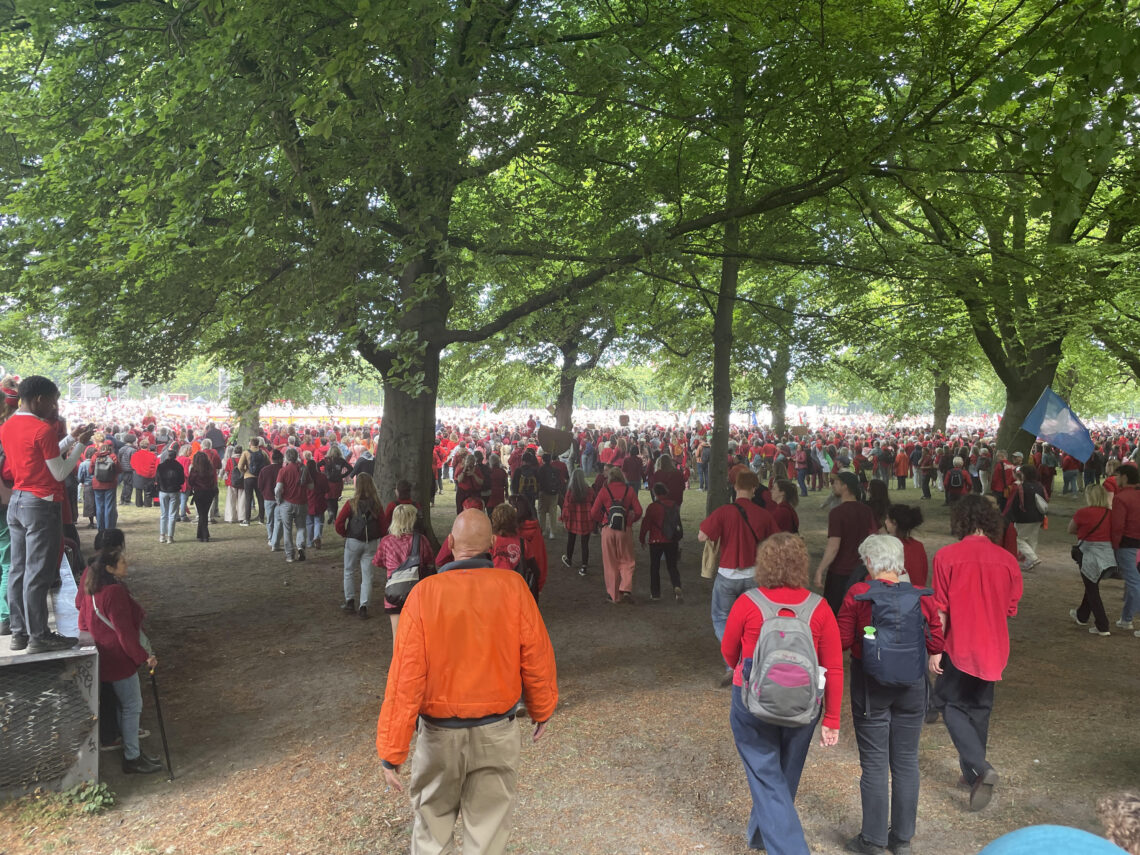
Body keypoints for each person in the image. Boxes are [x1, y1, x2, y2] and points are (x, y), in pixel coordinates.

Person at [376, 509, 558, 855]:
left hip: (439, 737)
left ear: (451, 544)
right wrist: (542, 708)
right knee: (487, 836)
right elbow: (536, 655)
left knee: (431, 831)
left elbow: (405, 677)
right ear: (491, 545)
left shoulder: (423, 595)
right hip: (496, 733)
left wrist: (392, 750)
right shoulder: (514, 588)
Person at [721, 532, 842, 855]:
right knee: (783, 776)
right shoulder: (820, 607)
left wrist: (741, 671)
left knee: (766, 774)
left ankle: (790, 850)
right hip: (803, 706)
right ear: (801, 564)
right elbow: (834, 667)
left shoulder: (748, 603)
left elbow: (728, 650)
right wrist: (832, 717)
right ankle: (760, 836)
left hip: (750, 700)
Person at [837, 535, 944, 855]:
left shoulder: (859, 594)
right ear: (900, 563)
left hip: (871, 687)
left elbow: (842, 639)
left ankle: (872, 840)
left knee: (874, 764)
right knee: (906, 762)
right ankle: (902, 839)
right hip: (912, 686)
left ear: (869, 562)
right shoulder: (919, 595)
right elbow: (936, 640)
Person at [929, 495, 1022, 811]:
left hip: (959, 643)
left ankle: (980, 769)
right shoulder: (1008, 560)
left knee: (947, 702)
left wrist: (935, 648)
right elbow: (1011, 608)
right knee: (980, 708)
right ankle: (971, 775)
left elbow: (940, 608)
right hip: (994, 646)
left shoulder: (946, 556)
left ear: (960, 521)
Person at [0, 375, 93, 653]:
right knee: (38, 572)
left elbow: (38, 454)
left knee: (17, 569)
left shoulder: (8, 425)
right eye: (52, 401)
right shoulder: (42, 429)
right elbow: (60, 471)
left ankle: (19, 632)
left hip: (17, 500)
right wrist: (81, 446)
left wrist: (68, 440)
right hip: (41, 503)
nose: (54, 407)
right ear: (39, 398)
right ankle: (39, 636)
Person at [75, 534, 163, 774]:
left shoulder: (93, 587)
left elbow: (83, 620)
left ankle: (132, 751)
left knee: (122, 705)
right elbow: (125, 633)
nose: (127, 565)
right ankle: (132, 756)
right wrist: (143, 656)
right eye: (122, 562)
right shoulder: (115, 592)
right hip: (119, 660)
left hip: (104, 656)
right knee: (133, 706)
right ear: (111, 568)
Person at [700, 470, 779, 643]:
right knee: (752, 620)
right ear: (754, 488)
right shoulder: (764, 515)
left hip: (727, 574)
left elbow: (702, 536)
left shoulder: (724, 511)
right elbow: (776, 542)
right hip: (753, 574)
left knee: (721, 618)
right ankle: (749, 656)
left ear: (735, 487)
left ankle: (732, 660)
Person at [813, 471, 878, 614]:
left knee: (836, 612)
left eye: (836, 482)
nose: (833, 485)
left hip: (840, 571)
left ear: (845, 486)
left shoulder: (837, 513)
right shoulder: (867, 510)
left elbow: (833, 546)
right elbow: (874, 538)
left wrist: (820, 569)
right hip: (861, 570)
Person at [373, 503, 436, 638]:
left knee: (397, 634)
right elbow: (429, 560)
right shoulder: (421, 540)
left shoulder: (386, 541)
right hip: (415, 591)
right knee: (418, 634)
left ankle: (398, 659)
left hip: (394, 591)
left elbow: (378, 561)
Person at [334, 473, 387, 620]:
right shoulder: (376, 505)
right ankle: (364, 606)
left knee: (349, 571)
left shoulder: (351, 503)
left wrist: (345, 533)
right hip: (370, 542)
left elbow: (338, 523)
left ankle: (350, 601)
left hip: (353, 540)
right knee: (367, 575)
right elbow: (384, 527)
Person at [590, 467, 643, 604]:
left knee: (610, 563)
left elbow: (593, 512)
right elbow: (638, 511)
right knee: (627, 560)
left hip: (608, 529)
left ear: (610, 477)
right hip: (624, 528)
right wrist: (630, 521)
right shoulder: (629, 490)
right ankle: (626, 588)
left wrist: (602, 521)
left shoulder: (604, 491)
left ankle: (613, 595)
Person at [1068, 483, 1115, 636]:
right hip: (1108, 555)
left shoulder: (1083, 512)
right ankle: (1082, 615)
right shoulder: (1111, 514)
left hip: (1089, 553)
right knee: (1091, 585)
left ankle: (1103, 625)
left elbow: (1071, 529)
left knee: (1092, 589)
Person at [639, 482, 683, 602]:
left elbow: (645, 525)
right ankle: (677, 586)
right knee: (672, 566)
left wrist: (642, 539)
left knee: (655, 567)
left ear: (655, 493)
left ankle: (655, 593)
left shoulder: (653, 507)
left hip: (656, 540)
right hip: (671, 540)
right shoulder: (674, 505)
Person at [1110, 464, 1140, 633]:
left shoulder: (1121, 498)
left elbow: (1117, 527)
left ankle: (1128, 618)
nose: (1116, 479)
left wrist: (1115, 546)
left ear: (1125, 478)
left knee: (1134, 583)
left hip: (1128, 545)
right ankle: (1126, 618)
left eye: (1118, 476)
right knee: (1132, 584)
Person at [560, 468, 595, 576]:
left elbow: (566, 506)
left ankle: (569, 559)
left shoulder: (570, 491)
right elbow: (593, 502)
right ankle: (584, 566)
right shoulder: (589, 490)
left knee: (571, 540)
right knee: (585, 544)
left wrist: (563, 518)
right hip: (586, 519)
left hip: (573, 519)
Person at [884, 504, 928, 587]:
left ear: (894, 522)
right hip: (917, 593)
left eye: (887, 518)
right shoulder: (918, 546)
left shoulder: (886, 546)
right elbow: (923, 573)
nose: (885, 521)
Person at [275, 447, 308, 562]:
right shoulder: (304, 469)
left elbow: (278, 488)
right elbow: (311, 486)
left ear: (286, 457)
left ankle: (290, 555)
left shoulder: (283, 471)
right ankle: (300, 546)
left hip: (287, 503)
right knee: (301, 526)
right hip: (302, 502)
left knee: (287, 529)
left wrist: (278, 500)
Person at [155, 445, 185, 543]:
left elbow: (157, 479)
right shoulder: (179, 466)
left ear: (167, 456)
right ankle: (170, 537)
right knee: (172, 515)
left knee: (164, 514)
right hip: (174, 491)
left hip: (163, 491)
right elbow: (182, 480)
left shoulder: (161, 466)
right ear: (175, 456)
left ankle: (162, 536)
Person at [186, 451, 217, 543]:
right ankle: (201, 534)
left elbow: (190, 481)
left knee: (202, 514)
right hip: (209, 493)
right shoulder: (211, 469)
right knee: (204, 513)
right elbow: (214, 480)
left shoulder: (195, 470)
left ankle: (204, 535)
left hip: (199, 493)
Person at [258, 449, 284, 551]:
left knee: (270, 520)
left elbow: (260, 485)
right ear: (280, 459)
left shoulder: (264, 470)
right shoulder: (282, 469)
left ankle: (270, 538)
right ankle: (275, 539)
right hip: (281, 498)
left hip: (268, 497)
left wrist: (264, 493)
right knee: (278, 520)